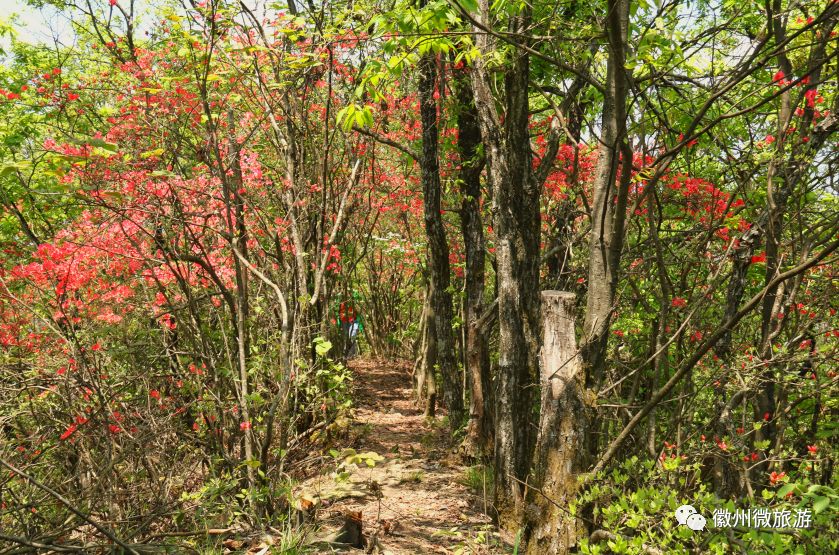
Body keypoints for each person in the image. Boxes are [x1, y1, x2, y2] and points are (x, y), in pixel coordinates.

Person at [337, 294, 362, 359]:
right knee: (346, 338)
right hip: (344, 322)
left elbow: (358, 312)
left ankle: (352, 354)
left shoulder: (353, 302)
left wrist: (360, 326)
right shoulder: (340, 302)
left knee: (352, 336)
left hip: (353, 321)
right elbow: (338, 313)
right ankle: (347, 355)